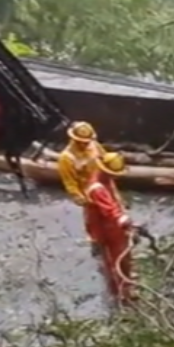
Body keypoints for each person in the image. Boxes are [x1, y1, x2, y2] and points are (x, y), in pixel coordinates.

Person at [84, 151, 137, 303]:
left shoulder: (106, 179)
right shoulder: (97, 188)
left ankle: (127, 282)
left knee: (125, 254)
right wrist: (122, 218)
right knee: (113, 260)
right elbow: (108, 209)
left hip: (114, 226)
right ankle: (119, 293)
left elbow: (114, 200)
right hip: (105, 228)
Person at [58, 121, 106, 207]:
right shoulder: (66, 158)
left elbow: (105, 158)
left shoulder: (94, 145)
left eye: (86, 142)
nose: (83, 145)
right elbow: (70, 182)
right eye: (79, 142)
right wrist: (78, 196)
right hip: (89, 192)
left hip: (103, 185)